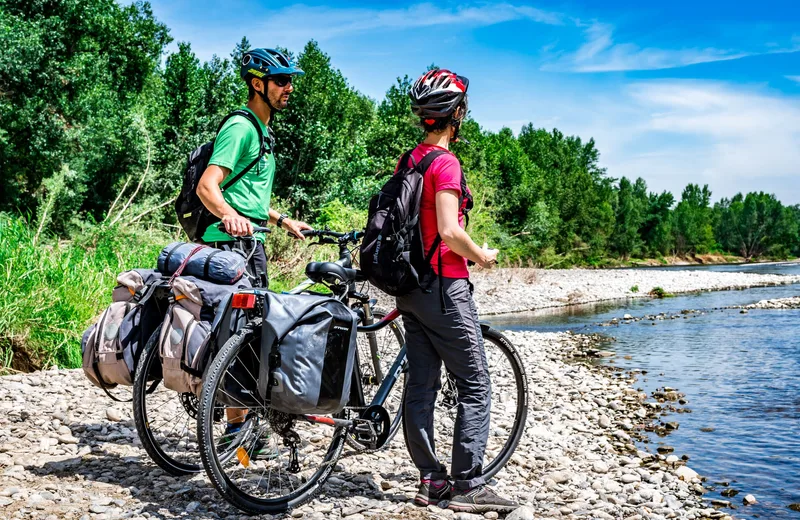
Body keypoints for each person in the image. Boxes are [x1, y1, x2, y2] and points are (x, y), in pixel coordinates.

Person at [397, 69, 518, 514]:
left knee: (421, 386)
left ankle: (431, 480)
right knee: (475, 385)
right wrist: (480, 255)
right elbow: (449, 230)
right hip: (445, 287)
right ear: (457, 115)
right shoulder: (446, 163)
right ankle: (467, 484)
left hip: (410, 287)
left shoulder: (410, 160)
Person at [196, 47, 312, 438]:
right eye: (281, 80)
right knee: (245, 336)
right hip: (230, 246)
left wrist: (280, 219)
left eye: (290, 80)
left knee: (250, 331)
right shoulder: (241, 127)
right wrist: (227, 216)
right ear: (257, 84)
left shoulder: (263, 132)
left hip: (250, 244)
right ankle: (238, 432)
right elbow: (207, 186)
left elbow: (248, 196)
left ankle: (240, 424)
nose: (289, 87)